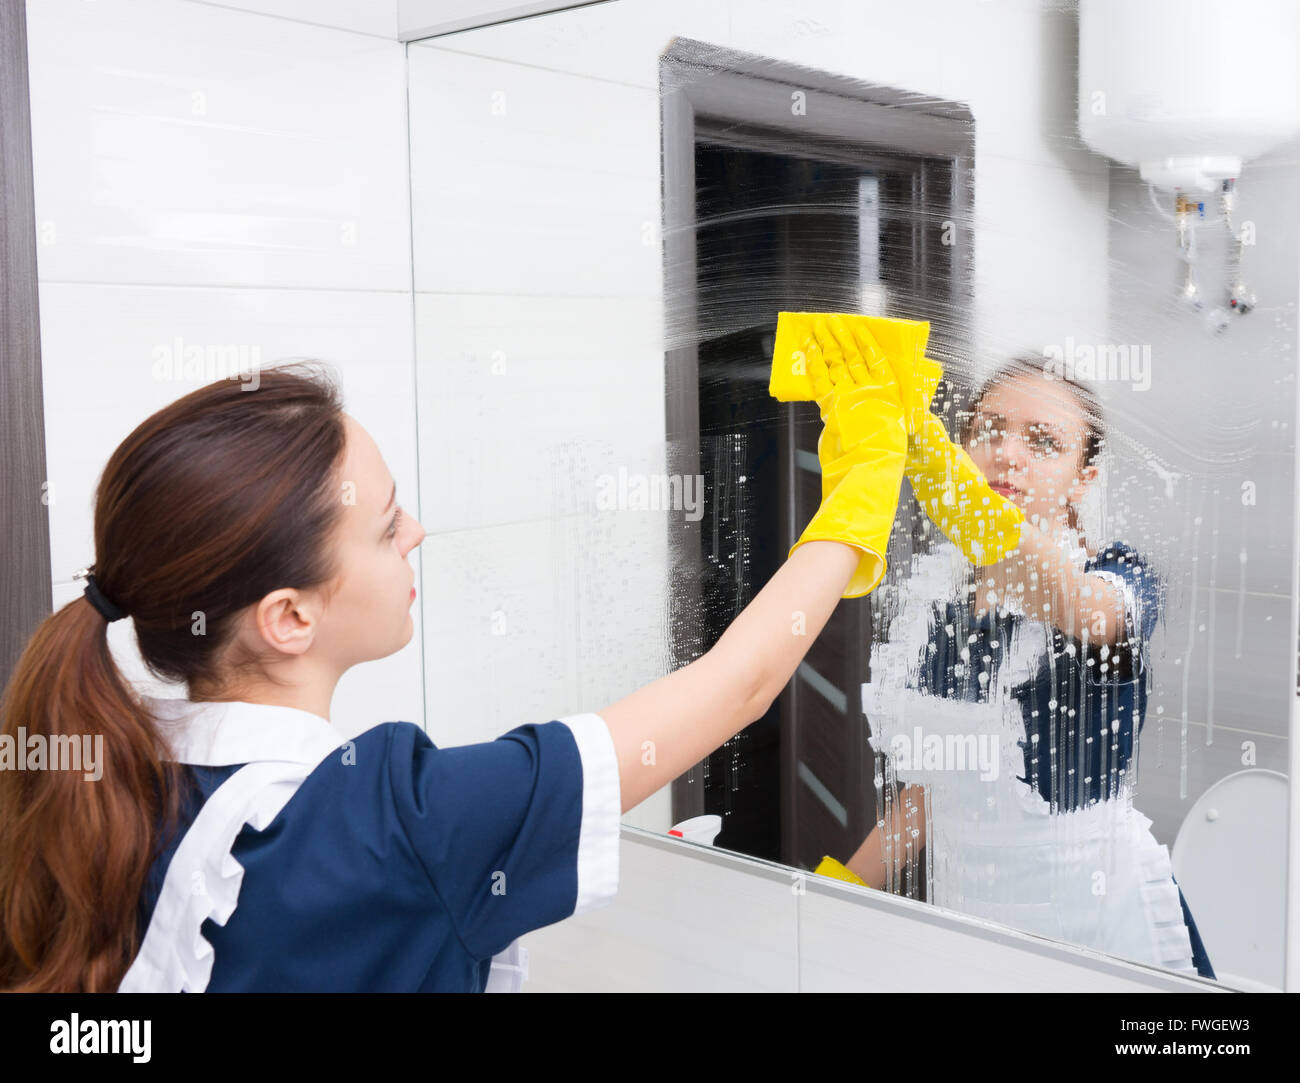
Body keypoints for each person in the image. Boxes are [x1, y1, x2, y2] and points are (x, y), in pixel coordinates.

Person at [0, 339, 905, 992]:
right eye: (387, 525)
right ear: (288, 617)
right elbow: (737, 686)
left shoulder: (117, 773)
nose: (417, 533)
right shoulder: (404, 818)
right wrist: (862, 489)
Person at [817, 356, 1216, 980]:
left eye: (1042, 442)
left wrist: (948, 482)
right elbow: (930, 794)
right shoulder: (937, 598)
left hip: (1099, 923)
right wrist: (834, 895)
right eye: (989, 431)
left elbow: (1082, 610)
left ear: (1084, 479)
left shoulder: (1116, 577)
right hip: (971, 918)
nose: (1007, 455)